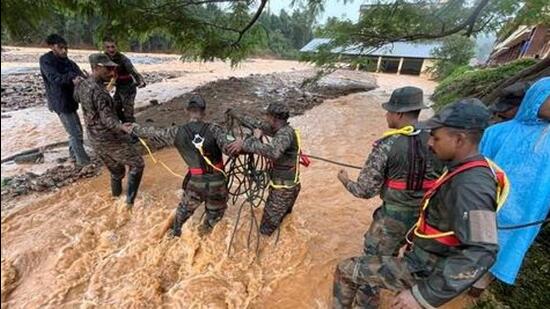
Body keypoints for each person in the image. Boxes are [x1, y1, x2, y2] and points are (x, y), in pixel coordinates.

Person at [333, 99, 508, 309]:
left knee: (346, 270)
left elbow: (482, 250)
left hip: (425, 267)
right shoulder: (463, 169)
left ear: (460, 140)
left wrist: (424, 295)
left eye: (436, 137)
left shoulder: (472, 185)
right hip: (423, 253)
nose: (430, 143)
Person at [337, 86, 442, 257]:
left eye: (388, 112)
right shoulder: (438, 140)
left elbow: (365, 191)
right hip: (428, 217)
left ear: (399, 114)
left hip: (395, 217)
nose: (386, 115)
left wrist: (345, 180)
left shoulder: (387, 144)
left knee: (375, 261)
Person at [123, 95, 233, 236]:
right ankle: (203, 237)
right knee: (213, 219)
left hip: (195, 183)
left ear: (187, 110)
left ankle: (173, 236)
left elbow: (154, 133)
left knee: (182, 214)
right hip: (217, 183)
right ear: (204, 112)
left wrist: (134, 129)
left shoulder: (176, 132)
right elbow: (231, 148)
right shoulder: (216, 130)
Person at [478, 77, 550, 286]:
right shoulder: (497, 132)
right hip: (486, 206)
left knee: (503, 253)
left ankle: (478, 288)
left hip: (527, 213)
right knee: (470, 245)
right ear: (536, 98)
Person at [75, 53, 144, 206]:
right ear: (96, 68)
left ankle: (115, 200)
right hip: (107, 137)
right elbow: (108, 120)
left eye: (112, 68)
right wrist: (122, 127)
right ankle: (129, 203)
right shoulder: (100, 92)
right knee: (137, 164)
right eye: (108, 69)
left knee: (117, 172)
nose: (112, 72)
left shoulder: (83, 85)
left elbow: (76, 98)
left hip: (93, 138)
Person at [226, 102, 302, 236]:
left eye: (267, 116)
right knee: (282, 222)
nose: (266, 119)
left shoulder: (285, 135)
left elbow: (273, 152)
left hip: (282, 191)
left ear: (274, 118)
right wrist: (236, 114)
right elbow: (258, 125)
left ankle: (264, 253)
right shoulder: (281, 129)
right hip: (287, 188)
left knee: (265, 231)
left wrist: (247, 142)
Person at [39, 34, 90, 166]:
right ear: (52, 47)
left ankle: (73, 157)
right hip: (59, 101)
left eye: (66, 48)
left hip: (71, 100)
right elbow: (54, 78)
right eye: (60, 48)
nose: (64, 51)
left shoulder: (69, 62)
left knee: (76, 131)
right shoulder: (46, 60)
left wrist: (85, 78)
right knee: (75, 133)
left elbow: (80, 74)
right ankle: (83, 162)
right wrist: (72, 78)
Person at [103, 37, 146, 123]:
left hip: (129, 88)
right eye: (108, 47)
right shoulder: (104, 58)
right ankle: (125, 126)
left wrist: (140, 81)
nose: (111, 49)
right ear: (104, 48)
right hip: (118, 88)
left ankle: (134, 134)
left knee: (128, 114)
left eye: (113, 46)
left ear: (116, 47)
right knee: (114, 109)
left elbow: (133, 71)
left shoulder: (123, 59)